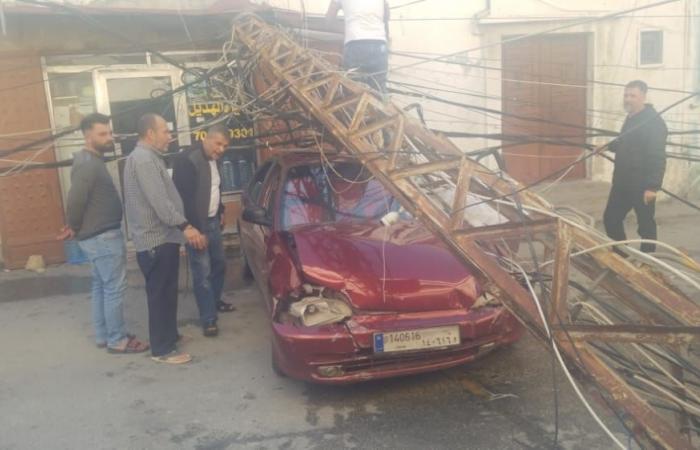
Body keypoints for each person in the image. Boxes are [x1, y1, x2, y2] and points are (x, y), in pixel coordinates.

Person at [59, 113, 149, 354]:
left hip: (98, 235)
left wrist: (74, 227)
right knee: (113, 288)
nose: (109, 137)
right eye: (102, 134)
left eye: (109, 133)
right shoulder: (87, 164)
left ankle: (104, 335)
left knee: (101, 285)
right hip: (102, 237)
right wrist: (73, 226)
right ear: (88, 136)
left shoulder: (91, 161)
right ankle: (117, 339)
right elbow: (75, 199)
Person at [123, 113, 207, 364]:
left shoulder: (149, 158)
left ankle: (169, 336)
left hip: (164, 238)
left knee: (168, 291)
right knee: (160, 295)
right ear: (150, 134)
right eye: (165, 131)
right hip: (154, 241)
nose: (170, 136)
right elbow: (160, 202)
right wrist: (185, 226)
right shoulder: (144, 161)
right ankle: (162, 350)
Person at [172, 125, 236, 338]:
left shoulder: (214, 158)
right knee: (203, 272)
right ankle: (208, 318)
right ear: (206, 139)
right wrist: (191, 229)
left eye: (225, 146)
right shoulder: (187, 159)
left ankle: (215, 302)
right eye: (218, 144)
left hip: (213, 221)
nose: (221, 149)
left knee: (219, 264)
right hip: (196, 225)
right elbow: (182, 199)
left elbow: (215, 188)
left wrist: (221, 210)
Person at [604, 80, 668, 254]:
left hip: (642, 185)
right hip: (622, 182)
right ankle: (621, 257)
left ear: (643, 97)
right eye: (626, 95)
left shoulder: (653, 122)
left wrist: (652, 187)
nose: (628, 99)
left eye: (633, 95)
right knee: (611, 219)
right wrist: (607, 146)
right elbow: (626, 142)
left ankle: (647, 263)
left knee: (645, 226)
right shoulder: (631, 117)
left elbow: (657, 157)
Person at [326, 0, 390, 94]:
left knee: (352, 90)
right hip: (379, 45)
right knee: (379, 92)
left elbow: (328, 20)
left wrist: (347, 30)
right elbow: (387, 15)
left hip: (355, 44)